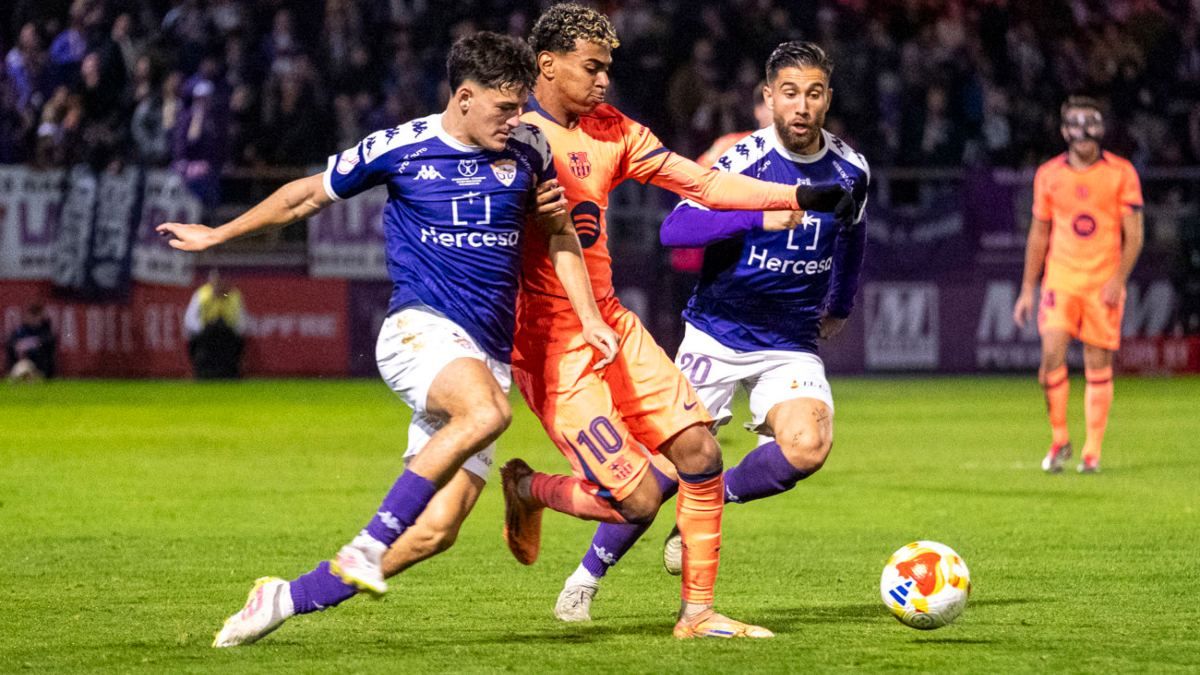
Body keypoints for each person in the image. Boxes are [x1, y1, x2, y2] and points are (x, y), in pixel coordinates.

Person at [156, 31, 617, 647]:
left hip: (485, 354)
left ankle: (285, 598)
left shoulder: (529, 148)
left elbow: (559, 232)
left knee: (436, 532)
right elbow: (303, 197)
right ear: (464, 97)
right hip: (419, 330)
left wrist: (589, 316)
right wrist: (218, 234)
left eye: (520, 106)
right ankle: (366, 545)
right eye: (505, 107)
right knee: (487, 413)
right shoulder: (401, 147)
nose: (517, 119)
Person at [496, 4, 859, 639]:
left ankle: (697, 615)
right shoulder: (512, 141)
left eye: (607, 68)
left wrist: (796, 196)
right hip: (551, 341)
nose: (605, 80)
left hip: (613, 321)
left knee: (700, 451)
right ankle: (530, 489)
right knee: (637, 498)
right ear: (547, 65)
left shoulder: (612, 129)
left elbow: (701, 186)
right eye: (592, 67)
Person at [1013, 96, 1144, 474]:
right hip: (1061, 280)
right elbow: (1039, 234)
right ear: (1064, 130)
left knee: (1097, 363)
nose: (1083, 131)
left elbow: (1134, 235)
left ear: (1101, 128)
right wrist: (1027, 289)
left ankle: (1091, 452)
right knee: (1050, 359)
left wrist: (1118, 280)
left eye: (1091, 123)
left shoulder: (1121, 173)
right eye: (1076, 123)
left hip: (1102, 281)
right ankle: (1060, 440)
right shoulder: (1048, 175)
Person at [183, 269, 246, 379]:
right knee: (198, 339)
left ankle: (230, 371)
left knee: (233, 340)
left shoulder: (233, 296)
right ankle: (201, 371)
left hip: (227, 336)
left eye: (221, 282)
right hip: (205, 336)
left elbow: (242, 322)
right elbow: (189, 320)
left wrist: (229, 329)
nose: (219, 285)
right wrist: (205, 329)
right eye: (216, 282)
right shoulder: (201, 295)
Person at [6, 303, 57, 382]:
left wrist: (32, 343)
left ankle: (33, 376)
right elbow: (11, 343)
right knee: (22, 366)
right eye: (31, 314)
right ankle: (21, 375)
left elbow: (49, 342)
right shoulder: (21, 330)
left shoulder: (45, 331)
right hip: (22, 361)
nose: (33, 318)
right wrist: (19, 346)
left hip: (39, 366)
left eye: (36, 315)